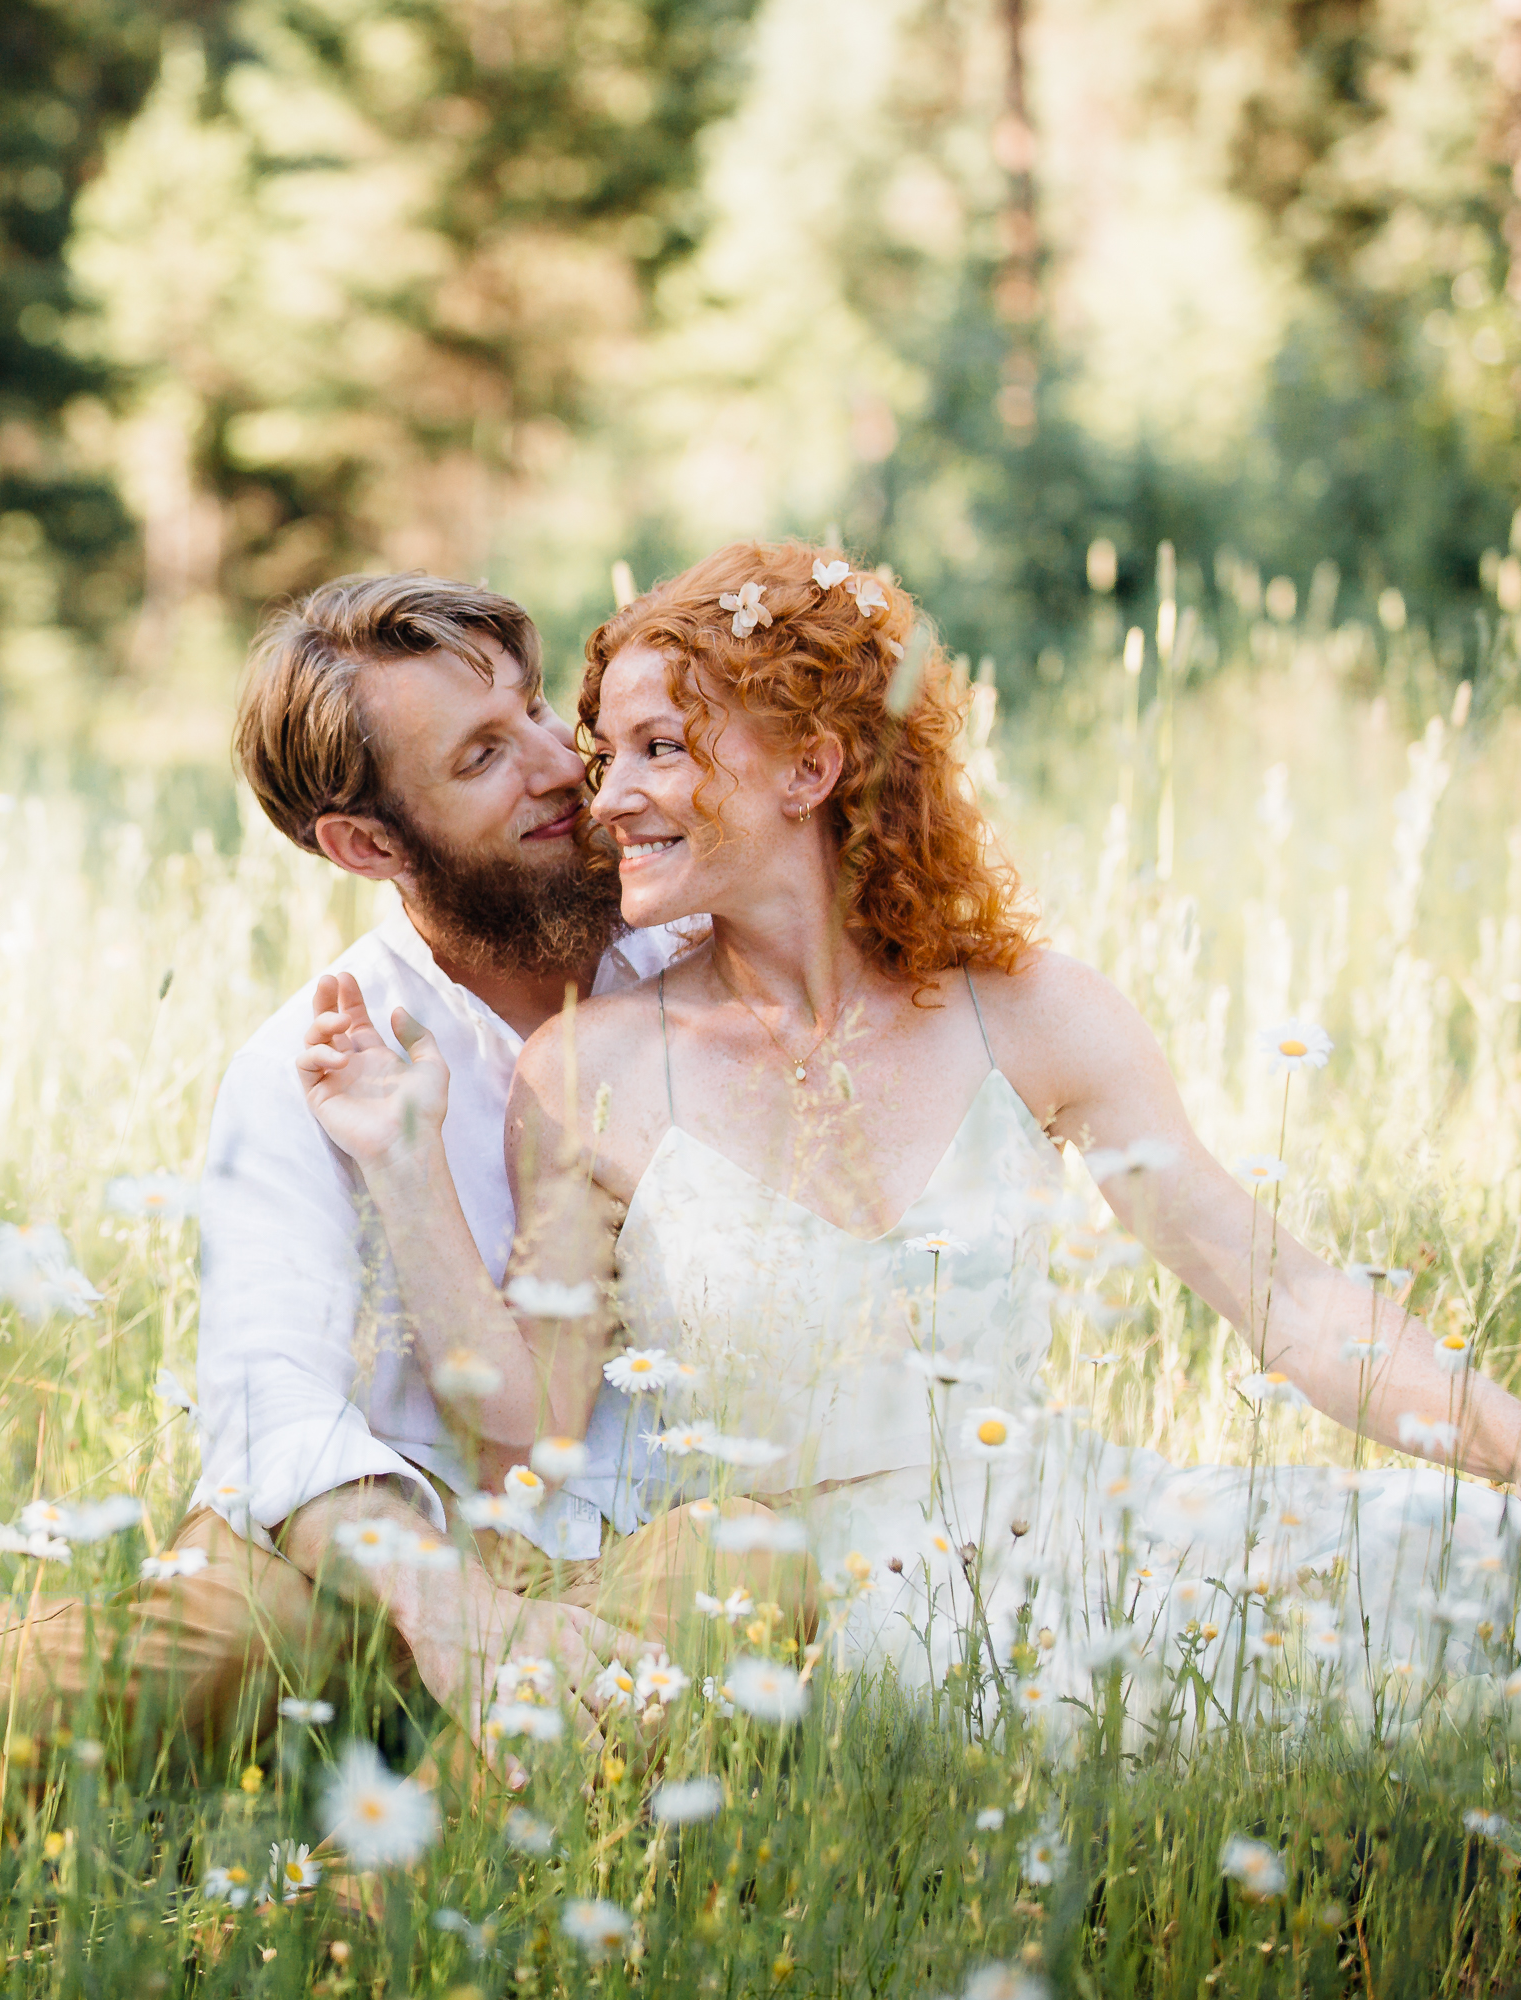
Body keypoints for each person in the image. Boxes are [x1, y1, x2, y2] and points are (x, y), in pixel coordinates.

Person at [300, 539, 1519, 1729]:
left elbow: (1289, 1299)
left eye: (658, 750)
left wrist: (1504, 1442)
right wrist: (402, 1161)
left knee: (1465, 1584)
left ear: (809, 766)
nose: (605, 798)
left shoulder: (1031, 1011)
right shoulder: (590, 1069)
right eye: (605, 751)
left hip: (1068, 1547)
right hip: (785, 1615)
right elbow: (529, 1422)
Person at [0, 573, 792, 1816]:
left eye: (528, 715)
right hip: (361, 1564)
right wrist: (441, 1596)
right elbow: (268, 1408)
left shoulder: (705, 961)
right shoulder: (309, 1060)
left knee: (718, 1589)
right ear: (367, 843)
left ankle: (366, 1917)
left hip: (644, 1544)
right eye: (479, 758)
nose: (560, 768)